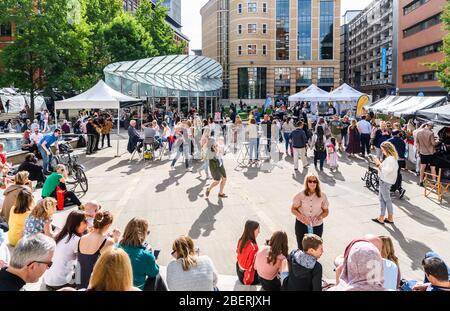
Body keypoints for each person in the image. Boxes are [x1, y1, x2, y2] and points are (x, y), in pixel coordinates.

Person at [119, 218, 167, 291]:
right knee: (157, 276)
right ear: (142, 234)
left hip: (117, 286)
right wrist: (152, 257)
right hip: (135, 288)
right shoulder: (145, 255)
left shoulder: (116, 247)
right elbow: (154, 272)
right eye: (147, 232)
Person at [43, 211, 88, 290]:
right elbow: (83, 262)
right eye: (85, 221)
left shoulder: (61, 234)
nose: (87, 224)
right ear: (77, 224)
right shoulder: (77, 240)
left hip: (48, 280)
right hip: (61, 283)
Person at [76, 211, 120, 289]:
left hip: (79, 281)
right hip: (93, 284)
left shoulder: (82, 237)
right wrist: (116, 239)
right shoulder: (108, 241)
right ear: (108, 225)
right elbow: (113, 261)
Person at [291, 174, 329, 250]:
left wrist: (320, 217)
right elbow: (293, 209)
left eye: (314, 181)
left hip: (317, 226)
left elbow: (326, 211)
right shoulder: (300, 195)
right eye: (310, 181)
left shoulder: (322, 196)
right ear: (307, 182)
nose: (312, 183)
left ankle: (312, 261)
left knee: (315, 249)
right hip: (302, 225)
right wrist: (302, 217)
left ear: (317, 183)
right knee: (301, 247)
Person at [371, 142, 399, 225]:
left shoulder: (390, 159)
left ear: (387, 150)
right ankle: (382, 217)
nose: (382, 152)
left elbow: (385, 171)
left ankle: (387, 217)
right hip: (386, 181)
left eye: (383, 150)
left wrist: (377, 163)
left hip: (385, 181)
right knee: (383, 199)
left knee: (386, 199)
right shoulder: (392, 158)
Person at [236, 220, 260, 285]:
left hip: (238, 271)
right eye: (258, 230)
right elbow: (251, 267)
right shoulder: (254, 247)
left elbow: (238, 255)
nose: (259, 232)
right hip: (246, 277)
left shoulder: (241, 240)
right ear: (253, 231)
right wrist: (247, 282)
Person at [416, 121, 439, 186]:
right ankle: (434, 181)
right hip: (431, 153)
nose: (432, 128)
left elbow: (417, 143)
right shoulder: (431, 133)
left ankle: (421, 181)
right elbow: (433, 143)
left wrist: (418, 150)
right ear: (429, 125)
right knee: (432, 167)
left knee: (422, 167)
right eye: (432, 126)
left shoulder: (419, 132)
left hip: (422, 152)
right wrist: (438, 141)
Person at [388, 130, 406, 198]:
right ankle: (399, 188)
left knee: (393, 174)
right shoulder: (402, 141)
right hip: (400, 160)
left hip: (393, 160)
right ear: (398, 134)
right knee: (397, 173)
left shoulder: (389, 141)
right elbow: (404, 150)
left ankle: (393, 189)